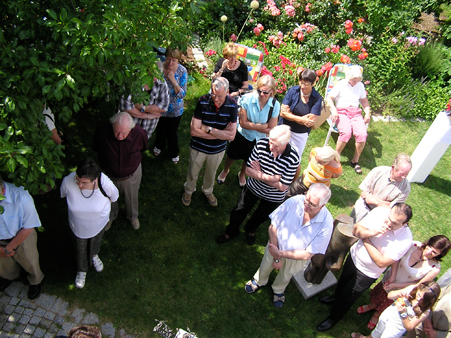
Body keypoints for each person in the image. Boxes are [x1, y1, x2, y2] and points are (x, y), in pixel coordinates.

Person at [317, 203, 413, 332]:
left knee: (349, 296)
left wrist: (366, 238)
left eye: (395, 223)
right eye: (389, 218)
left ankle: (334, 317)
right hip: (354, 257)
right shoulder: (380, 212)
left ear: (405, 224)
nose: (389, 223)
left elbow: (382, 262)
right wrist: (373, 232)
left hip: (367, 273)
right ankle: (335, 298)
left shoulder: (405, 240)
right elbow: (356, 230)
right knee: (343, 282)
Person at [244, 184, 333, 308]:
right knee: (265, 265)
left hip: (296, 258)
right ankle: (259, 280)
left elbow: (308, 253)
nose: (306, 204)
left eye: (312, 204)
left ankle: (278, 290)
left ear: (322, 206)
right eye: (306, 199)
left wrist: (280, 255)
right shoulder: (294, 201)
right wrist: (276, 254)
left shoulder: (326, 224)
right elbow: (273, 226)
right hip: (274, 245)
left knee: (286, 275)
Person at [216, 125, 300, 245]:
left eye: (275, 145)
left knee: (261, 216)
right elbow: (249, 171)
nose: (271, 147)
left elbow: (283, 187)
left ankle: (250, 229)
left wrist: (259, 173)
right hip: (253, 188)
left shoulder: (293, 157)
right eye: (270, 142)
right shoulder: (261, 144)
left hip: (274, 196)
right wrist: (272, 178)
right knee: (240, 210)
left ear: (285, 143)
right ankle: (231, 231)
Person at [357, 235, 450, 329]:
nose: (429, 252)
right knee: (380, 293)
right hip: (391, 277)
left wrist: (395, 285)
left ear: (440, 255)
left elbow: (419, 285)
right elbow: (396, 257)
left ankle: (377, 313)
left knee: (388, 302)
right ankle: (372, 305)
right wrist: (392, 277)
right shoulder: (414, 245)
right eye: (429, 247)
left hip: (403, 289)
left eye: (434, 252)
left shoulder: (434, 268)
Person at [60, 159, 119, 289]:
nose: (79, 185)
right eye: (78, 180)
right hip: (78, 225)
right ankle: (82, 270)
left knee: (96, 241)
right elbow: (63, 194)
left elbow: (114, 197)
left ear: (95, 180)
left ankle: (94, 255)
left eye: (84, 183)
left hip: (99, 223)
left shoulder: (105, 184)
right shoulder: (68, 182)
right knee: (79, 247)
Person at [182, 77, 237, 207]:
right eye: (213, 94)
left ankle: (207, 190)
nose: (215, 99)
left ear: (227, 92)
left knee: (211, 173)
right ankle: (189, 189)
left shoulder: (233, 105)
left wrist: (209, 129)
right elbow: (194, 131)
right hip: (198, 147)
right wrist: (221, 134)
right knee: (192, 171)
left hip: (217, 150)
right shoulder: (202, 101)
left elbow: (232, 136)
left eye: (219, 96)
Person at [216, 75, 280, 187]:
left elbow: (272, 129)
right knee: (231, 155)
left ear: (272, 91)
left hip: (259, 140)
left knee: (249, 159)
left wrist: (253, 125)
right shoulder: (247, 99)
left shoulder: (275, 105)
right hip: (242, 134)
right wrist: (263, 126)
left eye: (266, 92)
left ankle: (242, 174)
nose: (261, 94)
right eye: (259, 91)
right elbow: (243, 124)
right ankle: (225, 170)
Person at [92, 112, 148, 230]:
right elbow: (96, 147)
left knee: (132, 198)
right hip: (108, 175)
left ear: (131, 129)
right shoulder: (102, 132)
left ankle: (132, 217)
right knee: (108, 197)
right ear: (112, 125)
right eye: (116, 131)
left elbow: (143, 148)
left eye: (123, 133)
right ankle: (111, 216)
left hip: (130, 176)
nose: (119, 136)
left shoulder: (139, 134)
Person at [0, 176, 44, 300]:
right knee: (3, 263)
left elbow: (29, 227)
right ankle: (8, 276)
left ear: (2, 192)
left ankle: (35, 281)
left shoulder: (21, 196)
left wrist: (8, 248)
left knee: (30, 261)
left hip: (22, 236)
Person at [351, 281, 441, 338]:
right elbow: (389, 296)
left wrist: (403, 313)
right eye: (419, 295)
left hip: (396, 327)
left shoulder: (425, 311)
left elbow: (409, 327)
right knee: (377, 331)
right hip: (388, 315)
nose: (418, 299)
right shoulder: (411, 289)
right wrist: (399, 293)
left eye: (422, 300)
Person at [327, 65, 371, 174]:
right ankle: (335, 158)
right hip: (342, 111)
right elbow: (329, 98)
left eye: (357, 81)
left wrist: (368, 113)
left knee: (362, 135)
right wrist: (334, 110)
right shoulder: (341, 84)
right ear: (348, 77)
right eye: (353, 80)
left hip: (355, 112)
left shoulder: (360, 86)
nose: (355, 83)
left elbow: (364, 101)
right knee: (345, 133)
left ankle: (355, 161)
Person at [351, 153, 412, 223]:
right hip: (363, 205)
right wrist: (384, 203)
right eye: (401, 173)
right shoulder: (378, 171)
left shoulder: (405, 188)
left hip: (380, 213)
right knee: (351, 225)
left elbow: (392, 208)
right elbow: (364, 193)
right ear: (393, 168)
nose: (404, 177)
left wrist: (375, 201)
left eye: (406, 174)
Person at [119, 60, 169, 141]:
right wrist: (148, 115)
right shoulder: (132, 82)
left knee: (140, 148)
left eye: (157, 75)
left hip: (148, 128)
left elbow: (164, 107)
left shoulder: (161, 84)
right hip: (128, 126)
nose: (155, 78)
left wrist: (143, 108)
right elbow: (126, 107)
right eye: (152, 74)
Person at [154, 47, 188, 164]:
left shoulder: (182, 71)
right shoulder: (159, 67)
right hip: (159, 106)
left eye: (174, 60)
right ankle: (159, 145)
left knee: (172, 132)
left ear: (178, 60)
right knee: (160, 129)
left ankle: (173, 152)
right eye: (168, 59)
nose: (170, 63)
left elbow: (182, 94)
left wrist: (173, 81)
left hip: (175, 109)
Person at [280, 69, 323, 161]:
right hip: (284, 128)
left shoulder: (317, 99)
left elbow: (310, 121)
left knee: (294, 159)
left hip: (300, 133)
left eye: (306, 84)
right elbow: (282, 113)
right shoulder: (293, 91)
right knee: (277, 153)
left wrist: (290, 115)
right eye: (301, 82)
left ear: (313, 84)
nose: (302, 86)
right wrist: (301, 119)